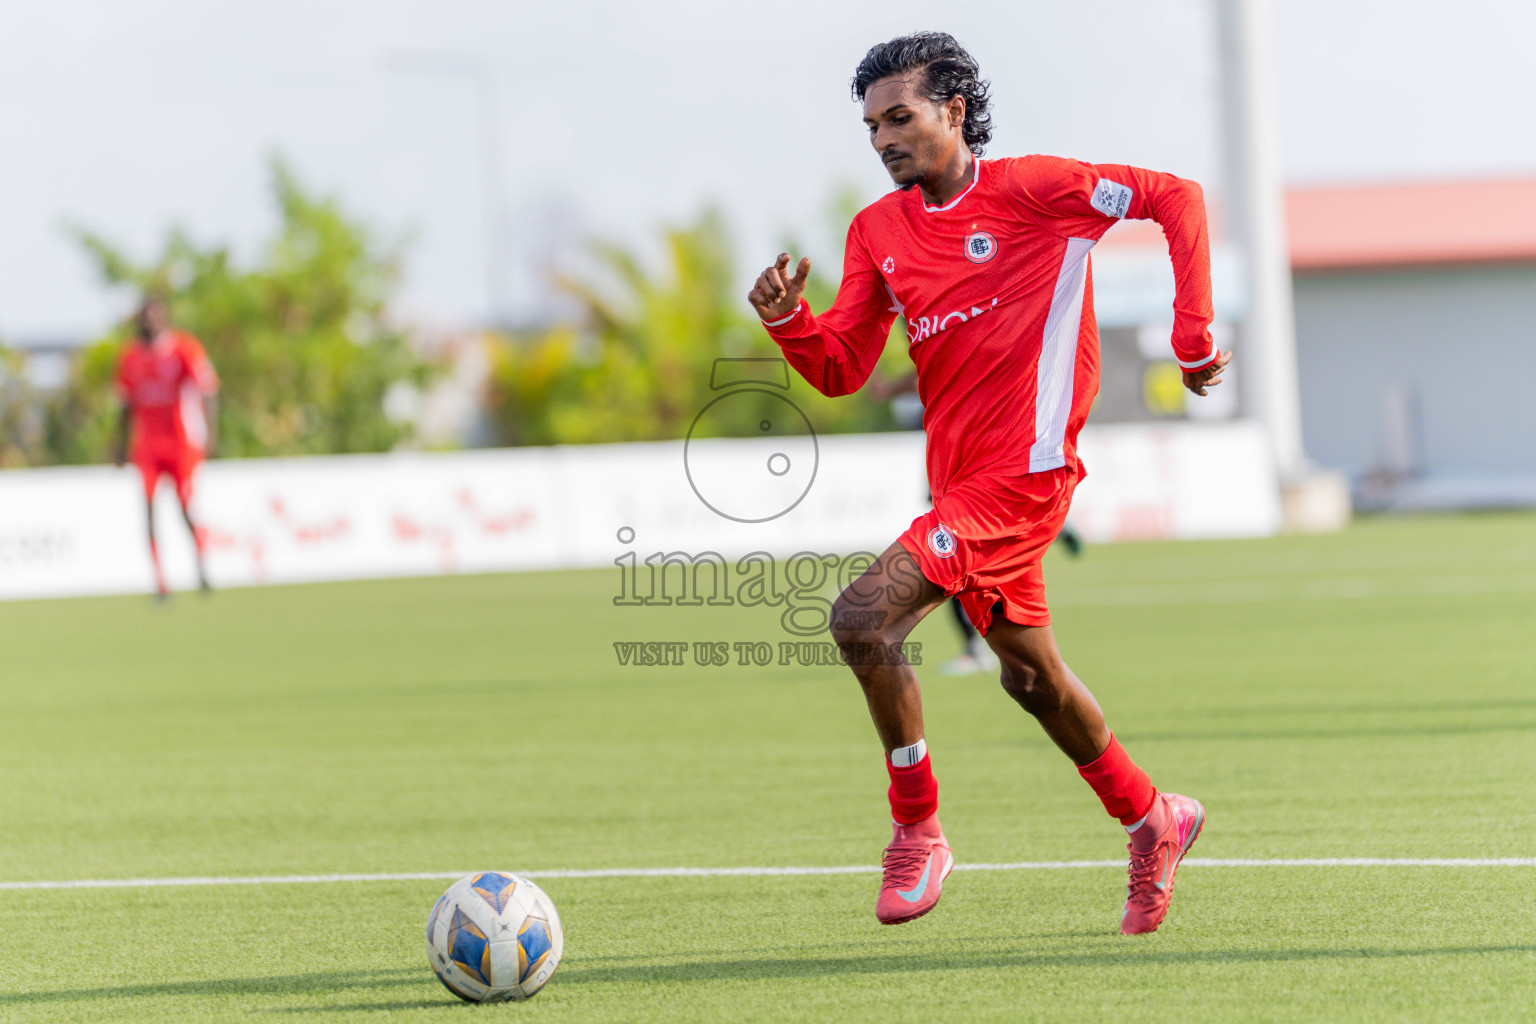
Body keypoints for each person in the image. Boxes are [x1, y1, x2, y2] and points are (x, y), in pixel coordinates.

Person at [747, 32, 1230, 934]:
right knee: (1031, 680)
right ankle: (1153, 818)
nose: (884, 138)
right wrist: (791, 322)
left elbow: (1177, 197)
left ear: (955, 111)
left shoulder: (1038, 191)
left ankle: (916, 829)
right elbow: (844, 367)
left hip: (1027, 477)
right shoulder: (878, 231)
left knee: (861, 617)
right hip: (959, 485)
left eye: (901, 117)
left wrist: (1193, 333)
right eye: (872, 126)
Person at [866, 368, 1084, 676]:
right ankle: (1043, 521)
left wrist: (890, 389)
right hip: (969, 454)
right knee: (1034, 678)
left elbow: (924, 374)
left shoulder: (948, 332)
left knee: (950, 562)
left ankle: (977, 648)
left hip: (966, 457)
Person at [113, 297, 219, 598]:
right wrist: (119, 446)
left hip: (180, 443)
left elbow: (208, 389)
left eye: (155, 315)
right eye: (145, 316)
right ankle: (160, 582)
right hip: (146, 446)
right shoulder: (130, 357)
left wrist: (211, 433)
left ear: (164, 317)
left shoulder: (184, 348)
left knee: (185, 505)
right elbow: (125, 405)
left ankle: (202, 569)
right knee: (148, 509)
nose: (150, 321)